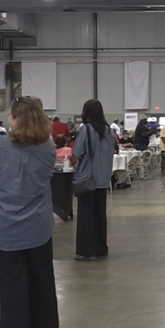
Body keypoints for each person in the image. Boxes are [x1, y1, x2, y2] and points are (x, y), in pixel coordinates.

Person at [0, 96, 77, 328]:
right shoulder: (47, 147)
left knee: (12, 280)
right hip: (37, 223)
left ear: (14, 118)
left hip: (4, 224)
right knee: (43, 275)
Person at [74, 99, 115, 261]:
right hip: (103, 178)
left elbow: (77, 152)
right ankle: (100, 248)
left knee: (86, 217)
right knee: (100, 215)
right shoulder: (108, 131)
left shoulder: (86, 130)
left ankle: (87, 250)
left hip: (88, 178)